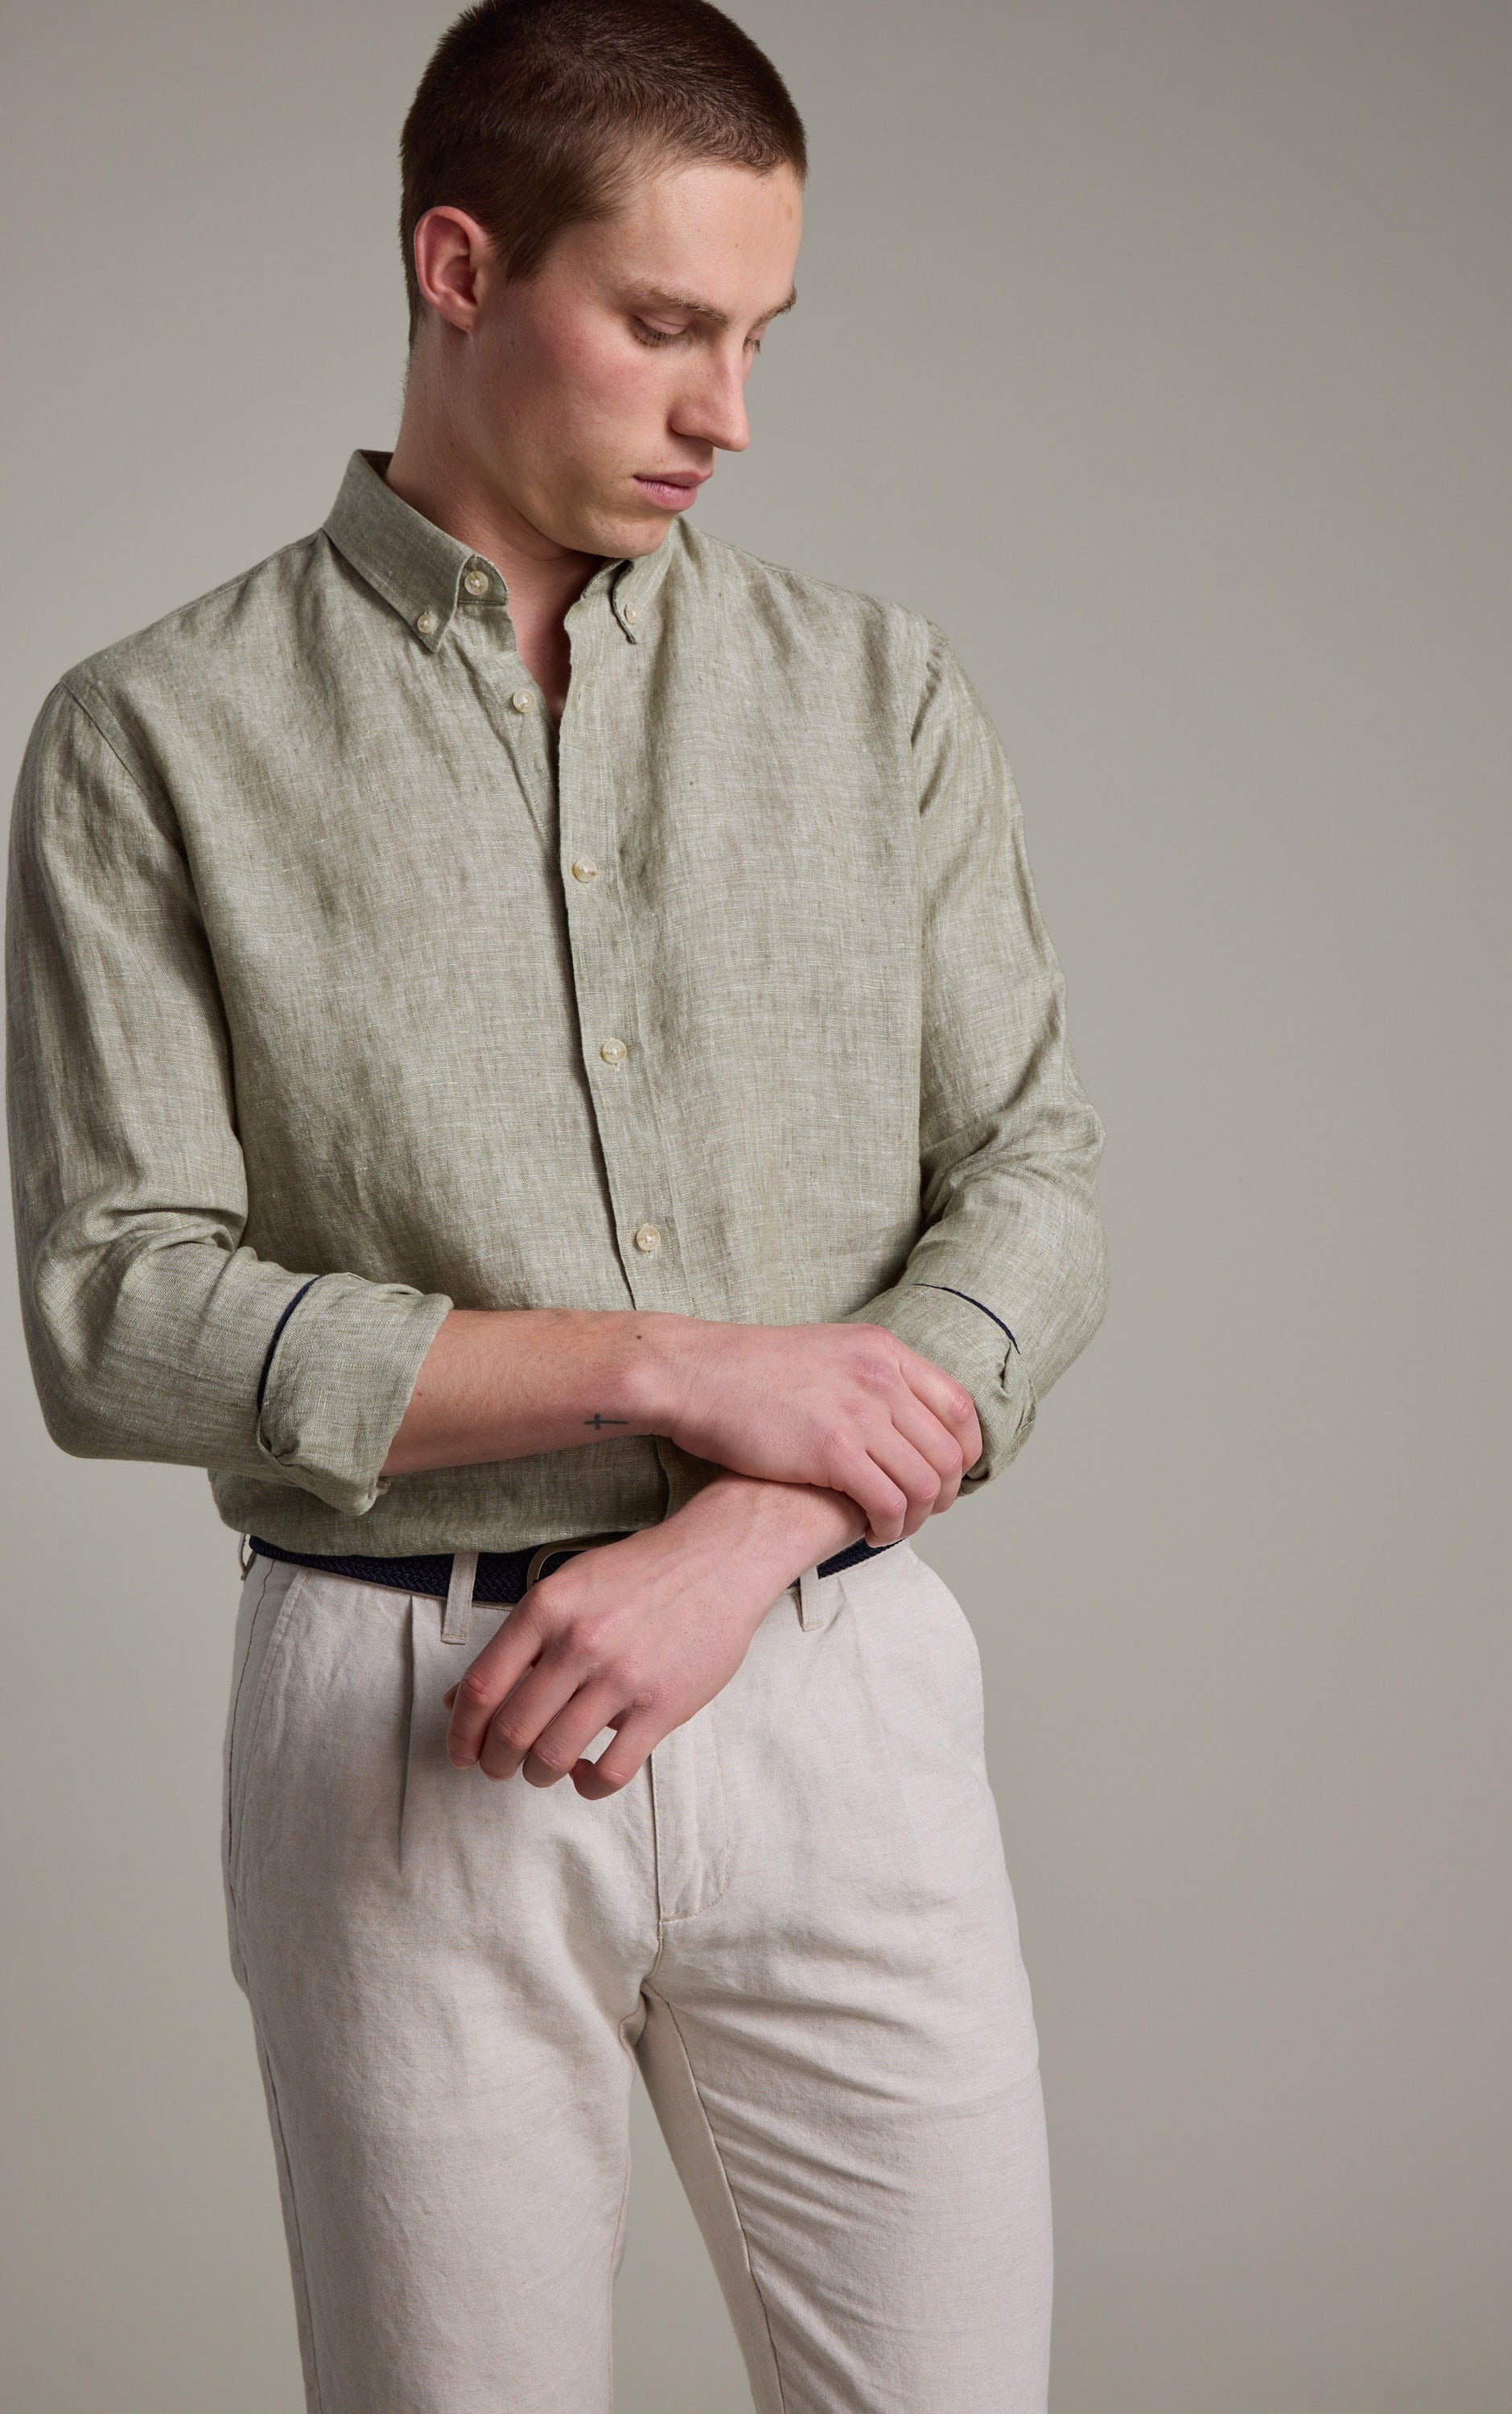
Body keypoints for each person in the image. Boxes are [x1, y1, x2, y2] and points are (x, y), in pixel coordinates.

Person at [4, 1, 1107, 2406]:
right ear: (458, 265)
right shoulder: (152, 737)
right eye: (668, 324)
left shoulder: (878, 696)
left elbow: (1032, 1183)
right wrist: (672, 1368)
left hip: (836, 1685)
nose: (732, 411)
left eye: (762, 334)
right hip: (409, 1723)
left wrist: (745, 1534)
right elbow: (116, 1311)